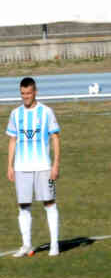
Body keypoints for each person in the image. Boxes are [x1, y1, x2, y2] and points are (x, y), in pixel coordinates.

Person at [6, 77, 60, 257]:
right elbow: (13, 140)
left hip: (44, 167)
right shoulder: (15, 114)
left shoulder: (46, 112)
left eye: (28, 93)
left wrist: (55, 164)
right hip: (22, 167)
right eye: (22, 94)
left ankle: (54, 245)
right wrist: (10, 165)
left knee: (49, 203)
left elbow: (55, 138)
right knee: (23, 205)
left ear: (35, 92)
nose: (25, 97)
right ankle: (26, 245)